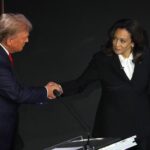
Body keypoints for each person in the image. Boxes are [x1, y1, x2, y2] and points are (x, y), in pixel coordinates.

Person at [51, 18, 150, 149]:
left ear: (133, 42)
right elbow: (80, 83)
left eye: (122, 41)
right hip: (112, 129)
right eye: (115, 39)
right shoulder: (102, 60)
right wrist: (59, 89)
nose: (116, 44)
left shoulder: (146, 57)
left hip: (142, 128)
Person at [0, 13, 62, 150]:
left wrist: (44, 91)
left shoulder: (4, 55)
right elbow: (16, 93)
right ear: (10, 40)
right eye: (24, 37)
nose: (27, 40)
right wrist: (45, 92)